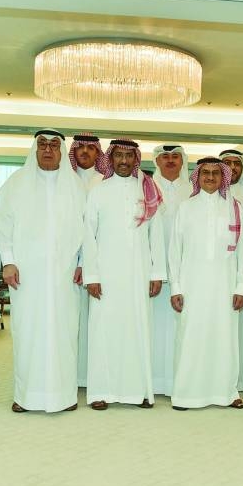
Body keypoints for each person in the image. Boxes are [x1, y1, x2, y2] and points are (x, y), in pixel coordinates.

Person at [0, 129, 86, 413]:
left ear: (62, 151)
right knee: (27, 331)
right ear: (35, 150)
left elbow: (88, 230)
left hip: (65, 273)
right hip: (27, 273)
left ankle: (64, 396)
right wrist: (8, 261)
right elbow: (3, 227)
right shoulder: (16, 184)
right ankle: (26, 396)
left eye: (54, 145)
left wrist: (84, 262)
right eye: (43, 145)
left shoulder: (75, 187)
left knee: (64, 332)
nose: (48, 150)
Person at [82, 139, 166, 410]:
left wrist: (157, 273)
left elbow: (157, 235)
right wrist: (91, 275)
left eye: (129, 156)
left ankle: (139, 390)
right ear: (111, 158)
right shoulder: (98, 192)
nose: (123, 161)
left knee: (138, 328)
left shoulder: (149, 190)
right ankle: (101, 392)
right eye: (118, 155)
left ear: (136, 159)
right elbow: (88, 237)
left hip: (139, 273)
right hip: (105, 275)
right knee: (104, 331)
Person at [168, 157, 243, 410]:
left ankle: (227, 392)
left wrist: (241, 287)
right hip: (192, 286)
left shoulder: (234, 208)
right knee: (190, 337)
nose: (211, 178)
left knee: (225, 338)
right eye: (205, 173)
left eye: (216, 173)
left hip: (225, 287)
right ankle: (185, 394)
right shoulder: (186, 208)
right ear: (197, 177)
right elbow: (174, 252)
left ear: (223, 177)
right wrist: (176, 288)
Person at [150, 144, 192, 397]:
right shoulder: (145, 187)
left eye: (175, 156)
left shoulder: (193, 190)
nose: (170, 160)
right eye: (165, 156)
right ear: (156, 161)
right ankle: (154, 382)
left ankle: (180, 381)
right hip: (153, 271)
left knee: (182, 327)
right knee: (154, 326)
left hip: (186, 272)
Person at [68, 133, 107, 389]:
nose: (84, 152)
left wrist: (87, 263)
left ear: (98, 153)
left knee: (97, 321)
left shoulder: (106, 181)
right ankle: (74, 377)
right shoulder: (63, 180)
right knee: (71, 320)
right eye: (79, 148)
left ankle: (94, 377)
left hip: (99, 263)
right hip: (66, 262)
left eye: (90, 148)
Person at [220, 148, 243, 391]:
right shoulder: (208, 194)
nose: (232, 168)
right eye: (227, 163)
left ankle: (242, 380)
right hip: (219, 273)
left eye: (236, 163)